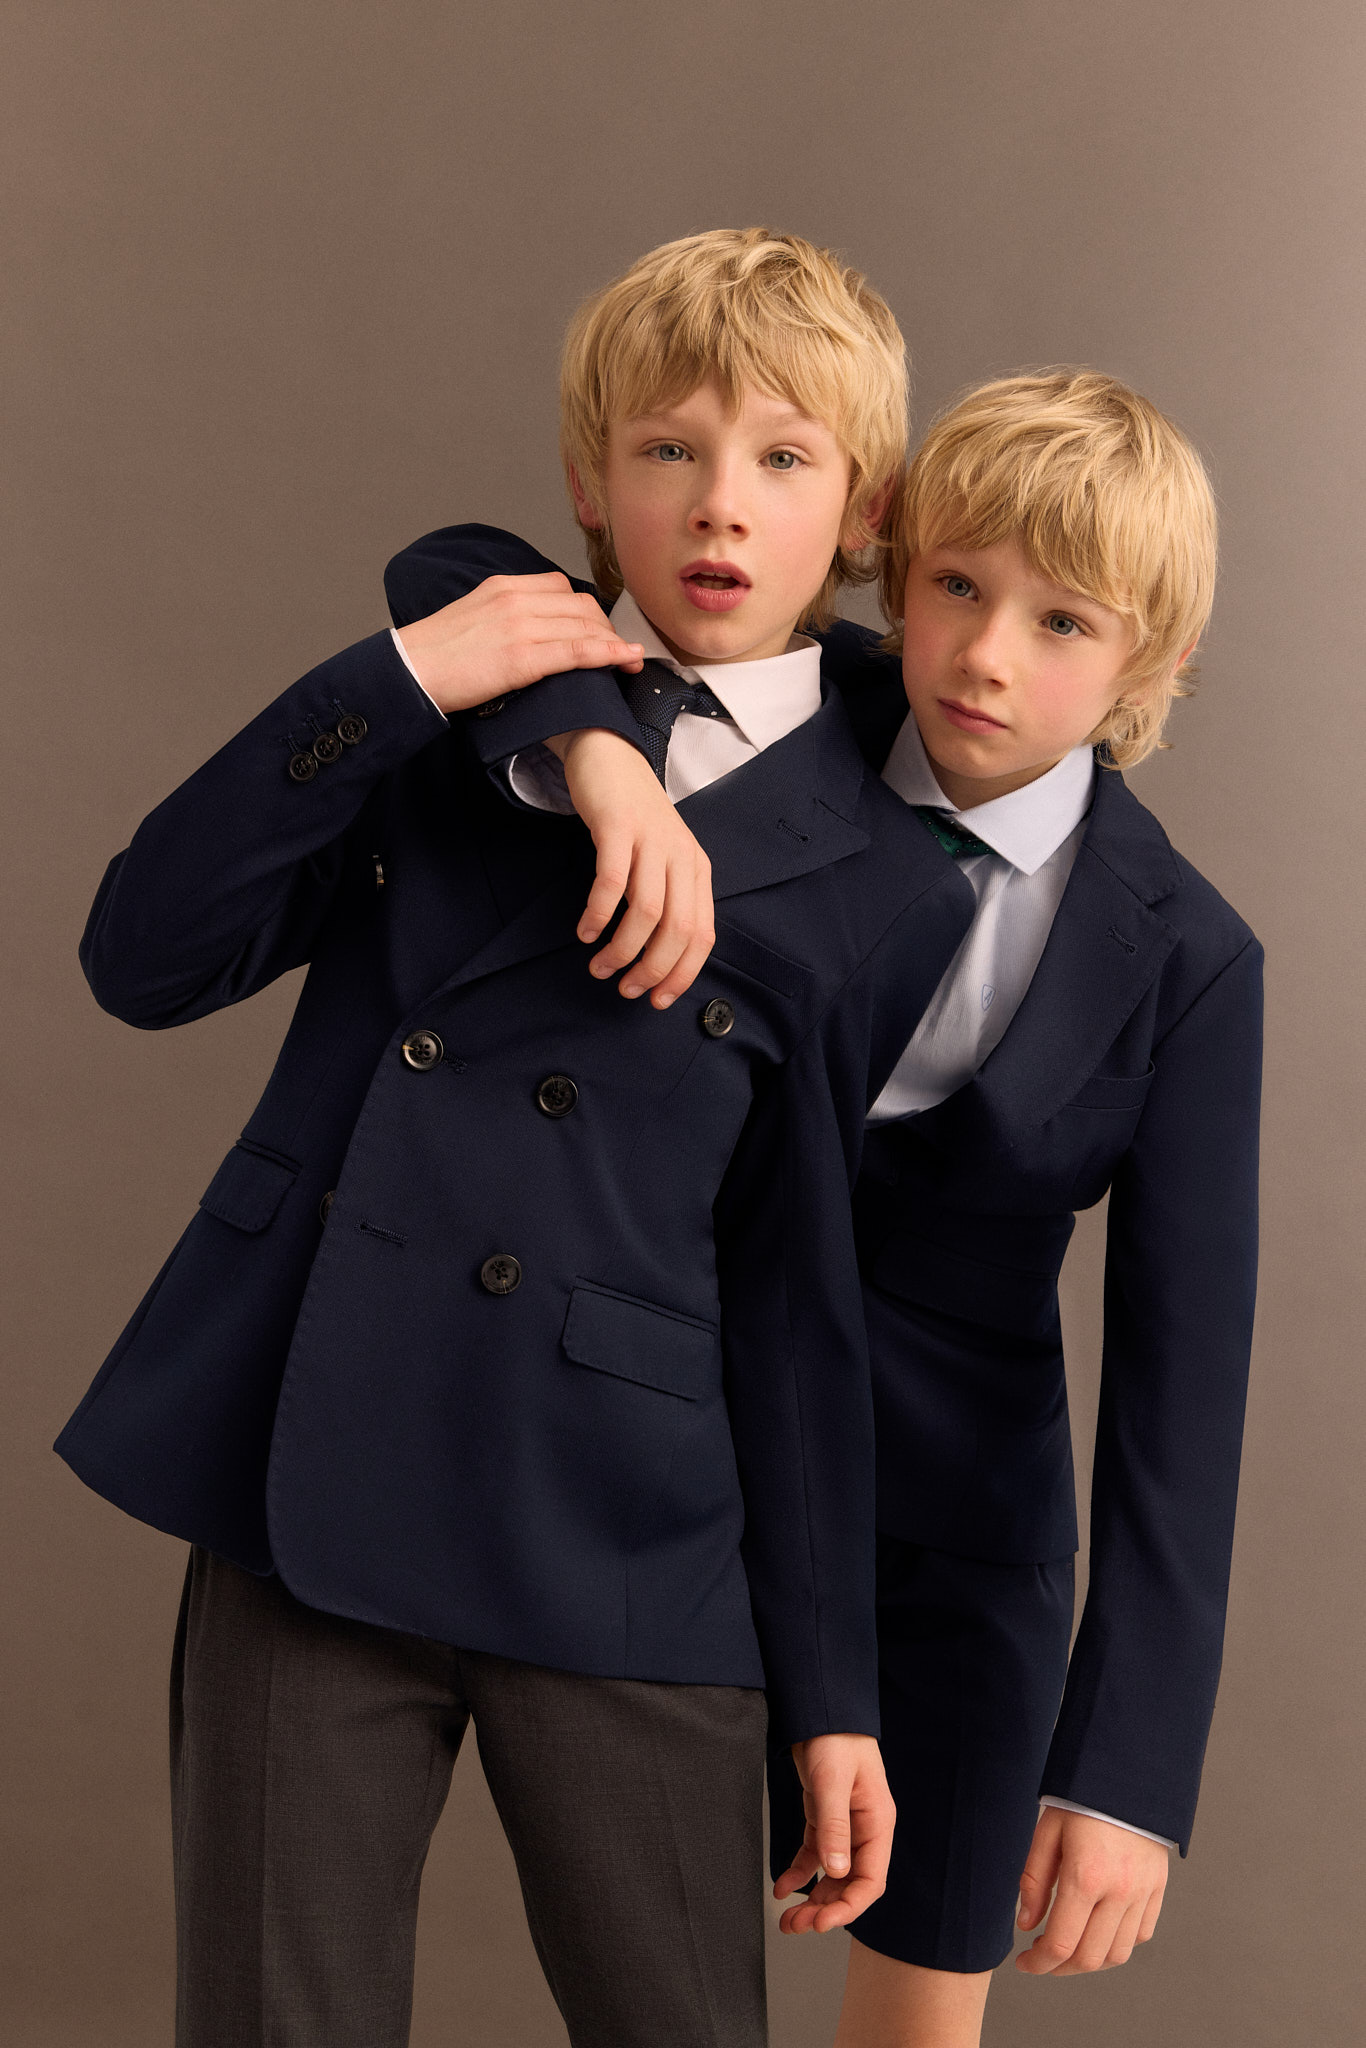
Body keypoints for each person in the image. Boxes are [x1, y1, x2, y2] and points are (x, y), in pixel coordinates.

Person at [55, 229, 978, 2048]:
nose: (719, 505)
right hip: (319, 1472)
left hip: (633, 1528)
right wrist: (412, 677)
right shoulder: (461, 695)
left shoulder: (893, 875)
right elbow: (140, 959)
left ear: (863, 510)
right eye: (667, 450)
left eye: (783, 458)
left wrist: (835, 1690)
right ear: (588, 482)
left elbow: (805, 1304)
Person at [448, 371, 1261, 2048]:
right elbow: (481, 592)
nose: (983, 656)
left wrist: (1125, 1774)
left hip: (953, 1554)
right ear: (893, 565)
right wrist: (596, 754)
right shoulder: (771, 717)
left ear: (1153, 664)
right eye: (956, 586)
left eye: (1061, 622)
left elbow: (1181, 1394)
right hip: (674, 1475)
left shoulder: (1185, 956)